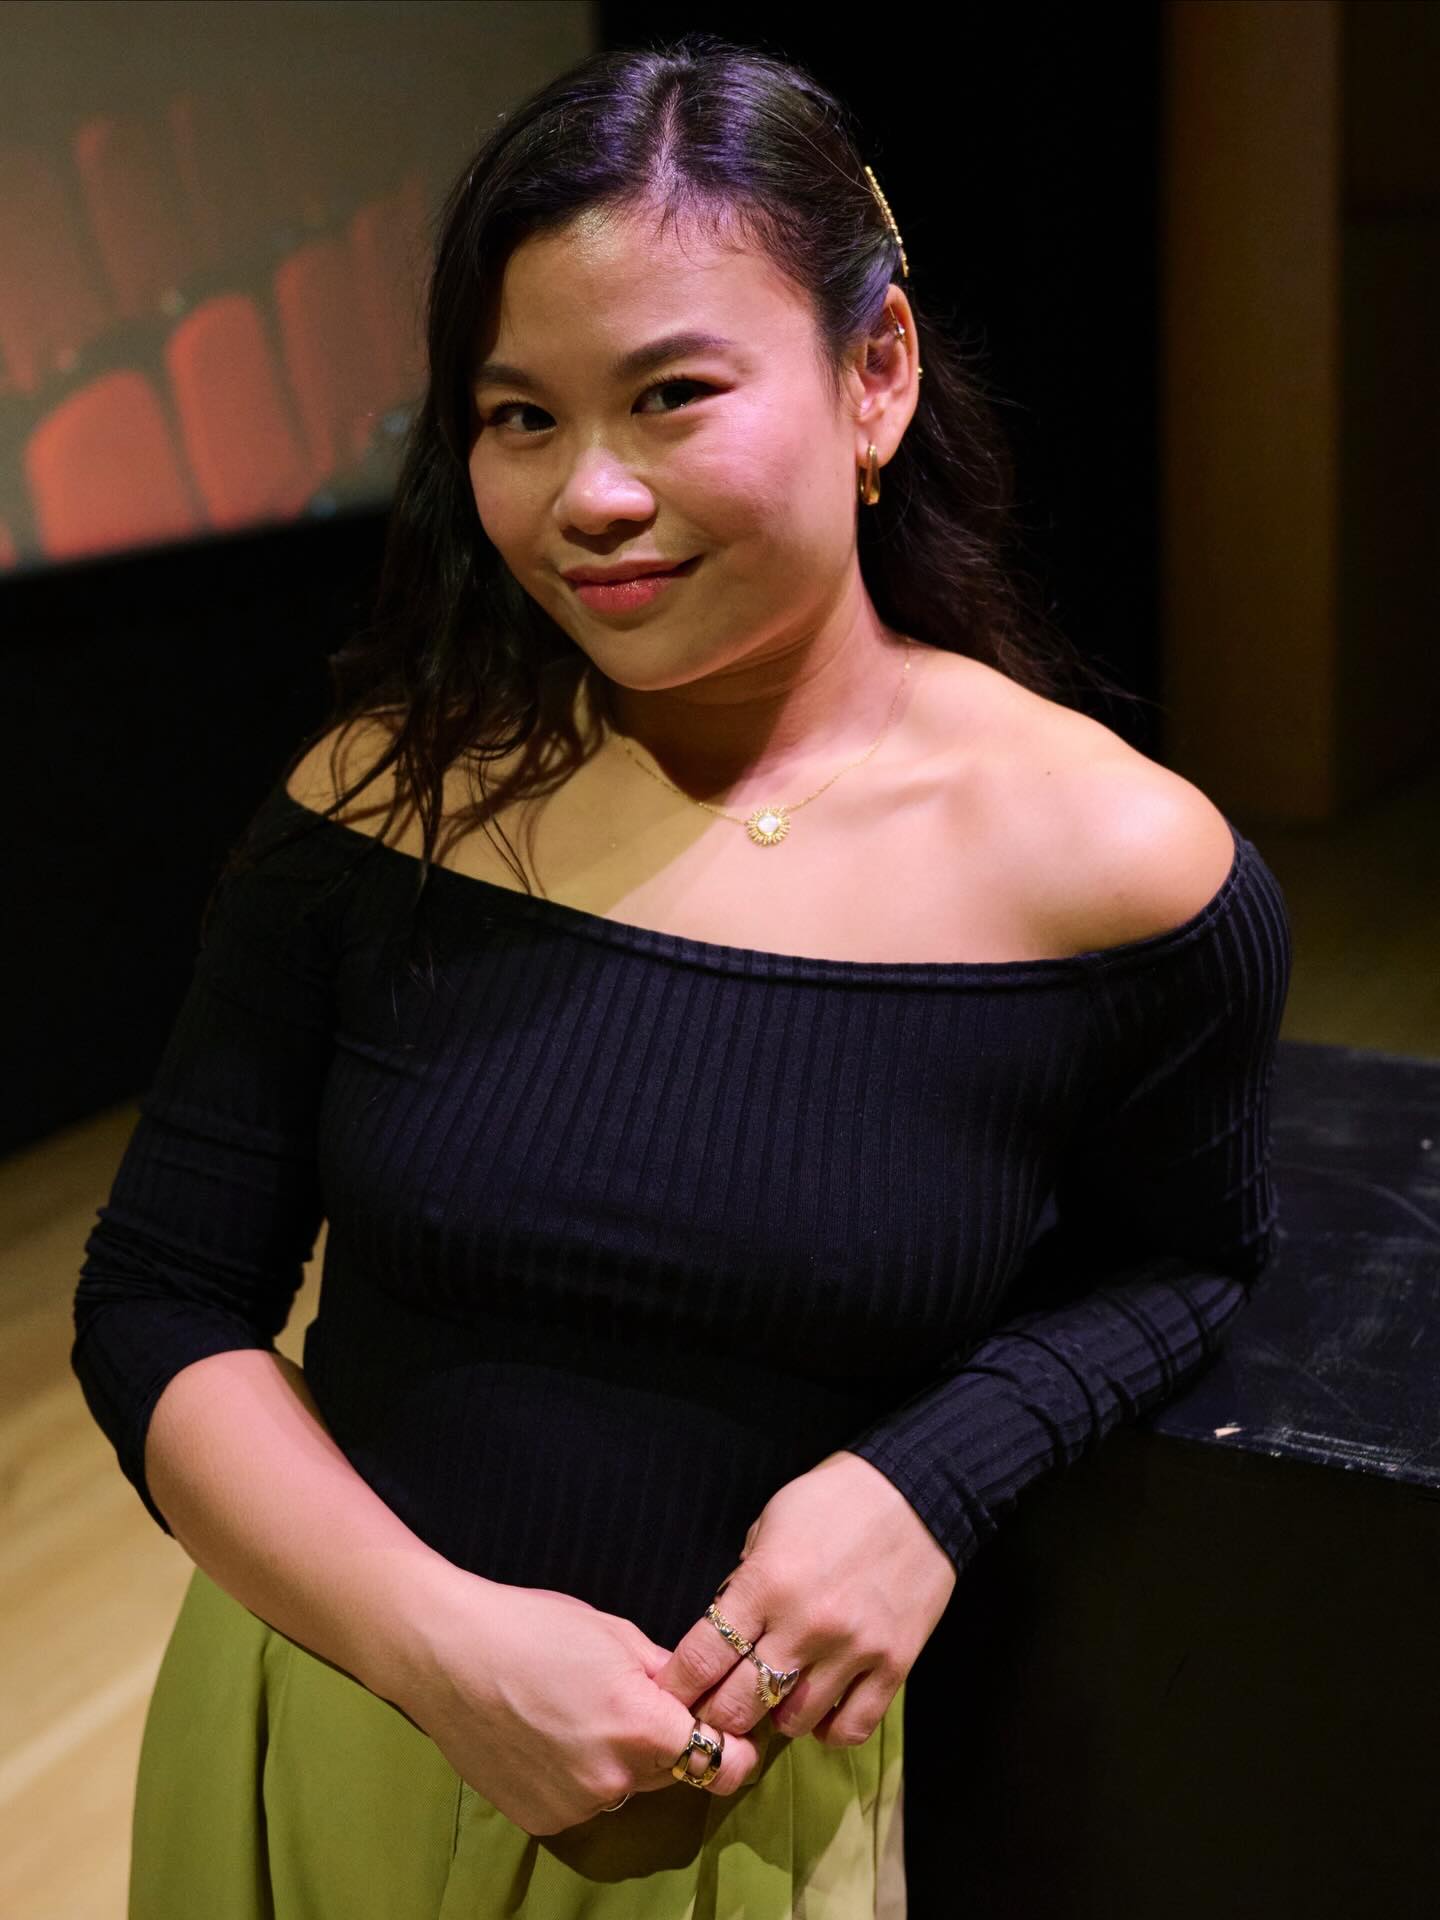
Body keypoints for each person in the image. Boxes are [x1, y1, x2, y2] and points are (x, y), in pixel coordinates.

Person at [71, 32, 1292, 1920]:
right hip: (324, 1728)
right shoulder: (382, 803)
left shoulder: (1116, 867)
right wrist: (439, 1651)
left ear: (875, 373)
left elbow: (1188, 1257)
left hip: (748, 1829)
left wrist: (927, 1483)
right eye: (519, 416)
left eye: (671, 395)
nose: (590, 498)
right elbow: (161, 1299)